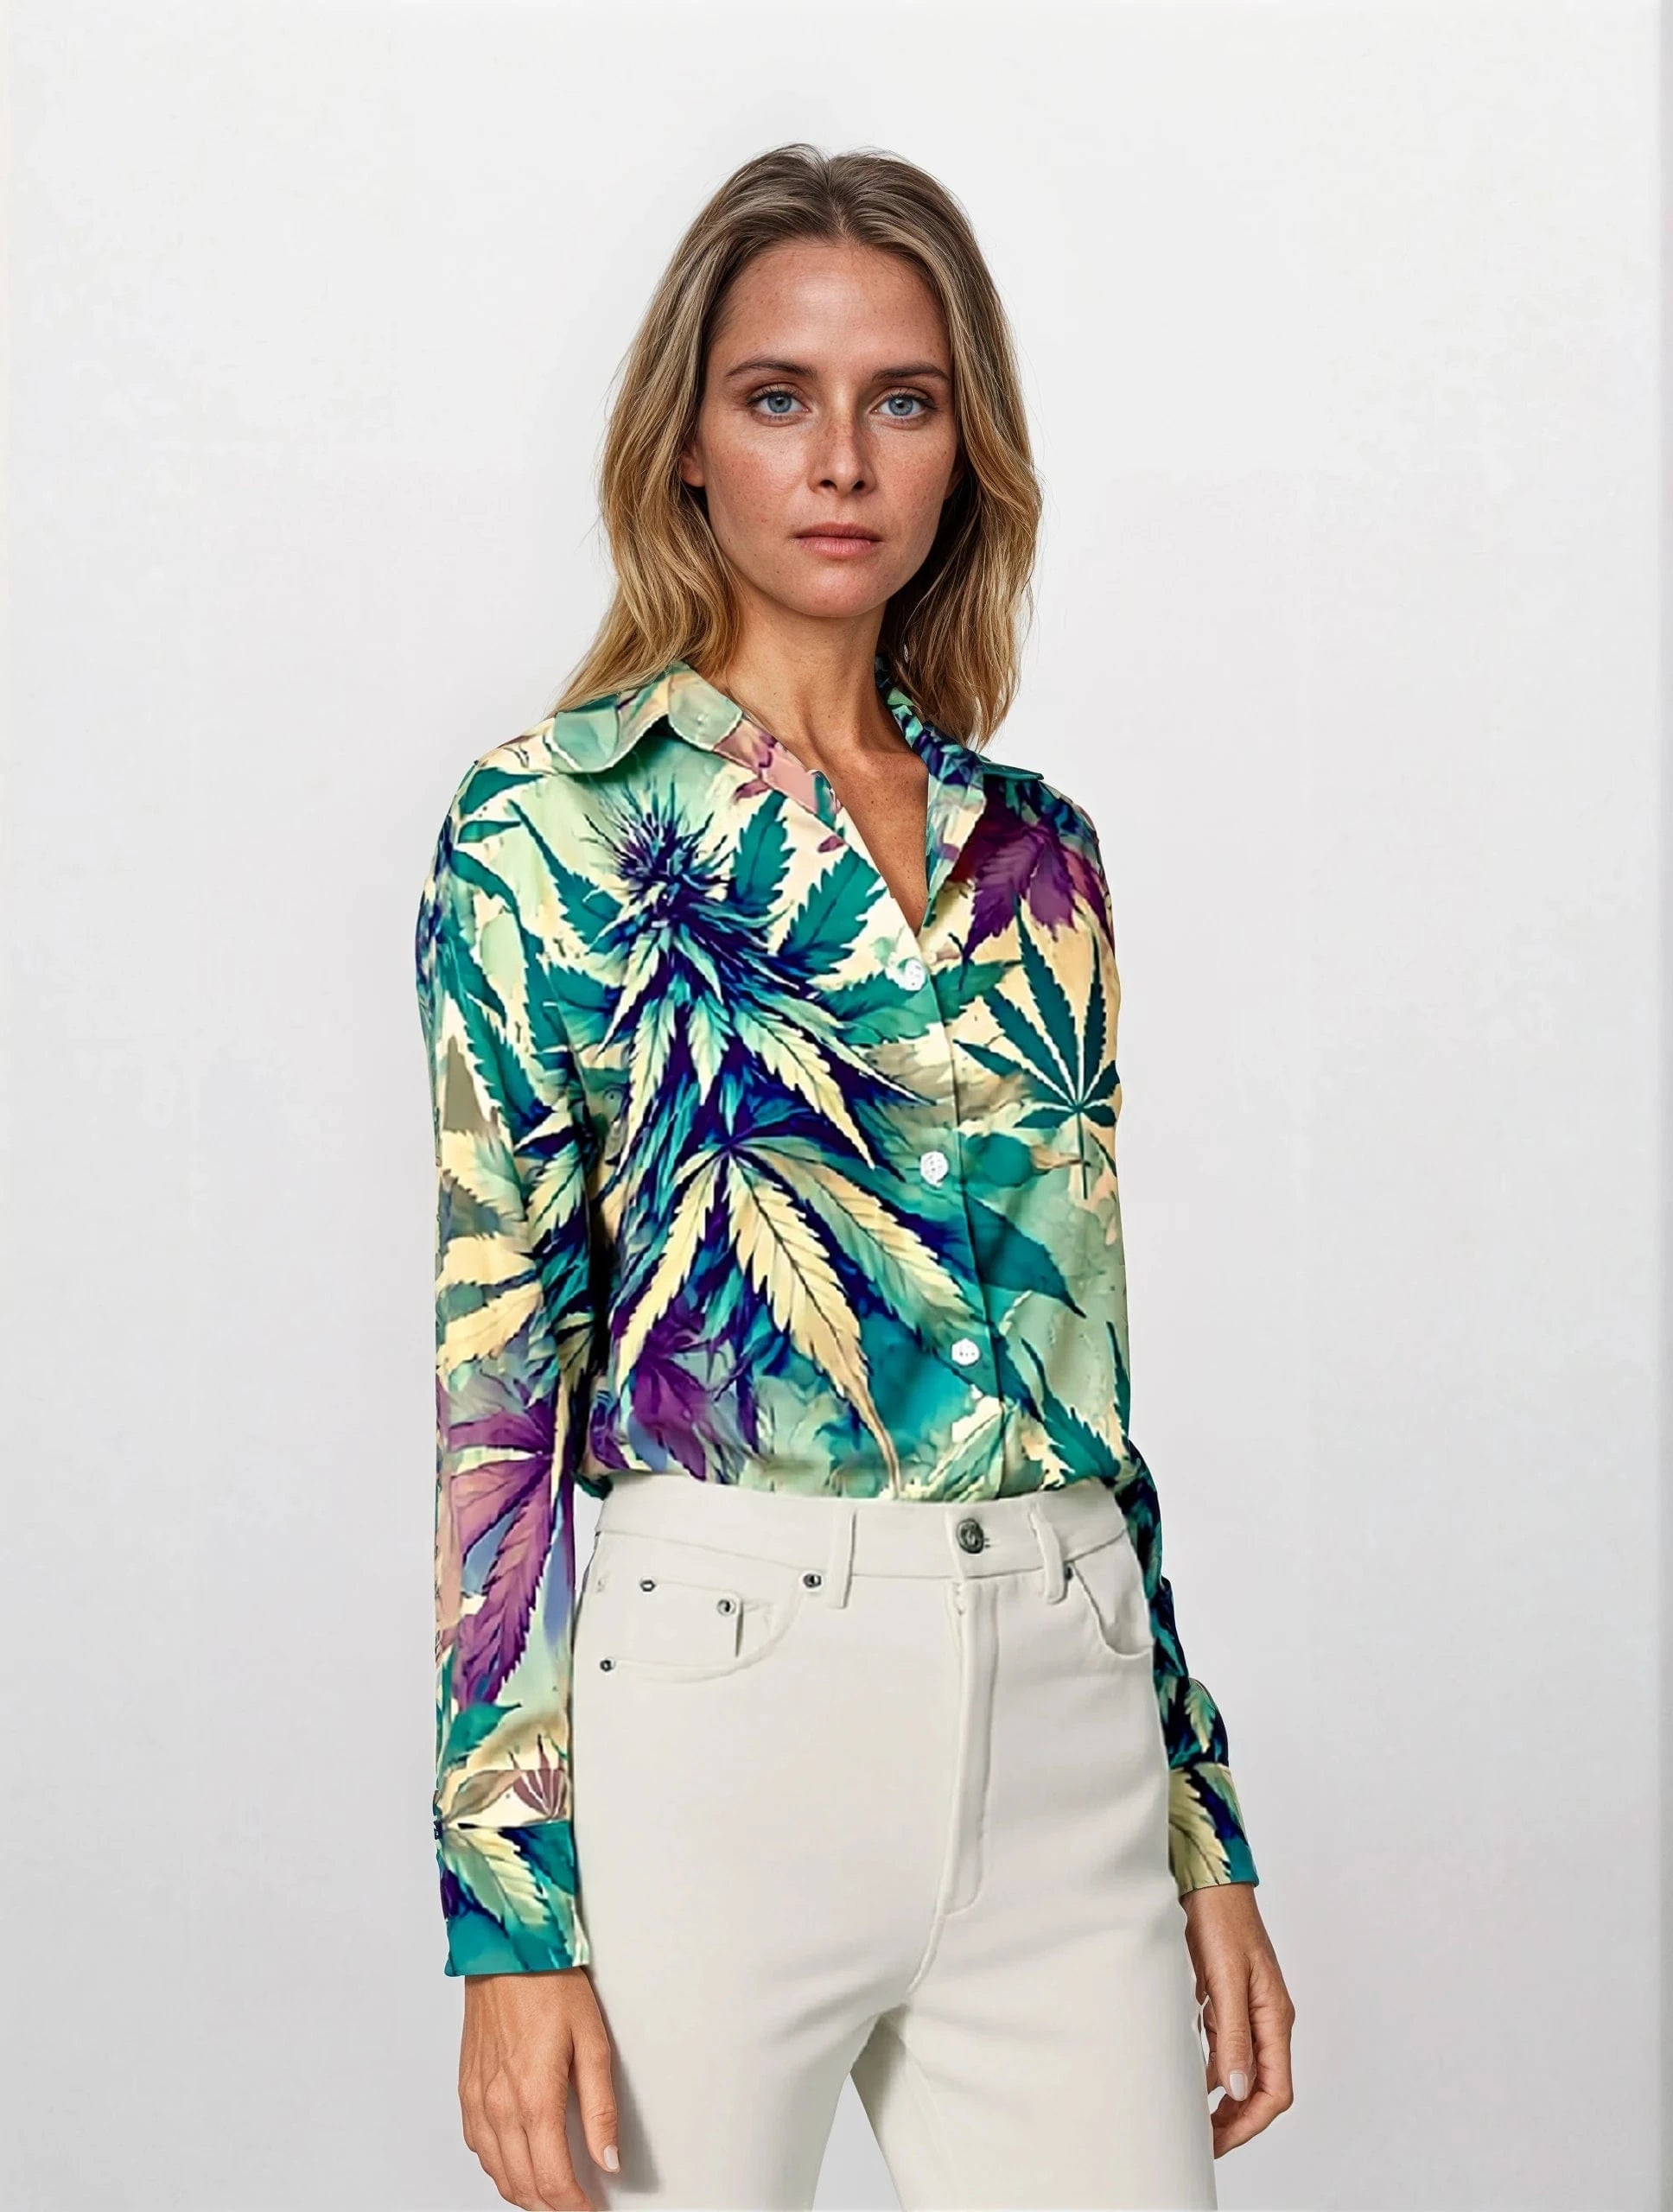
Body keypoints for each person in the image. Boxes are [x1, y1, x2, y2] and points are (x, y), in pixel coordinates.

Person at [414, 142, 1295, 2212]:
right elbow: (494, 1383)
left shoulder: (1038, 854)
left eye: (900, 399)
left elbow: (1080, 1374)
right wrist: (509, 1911)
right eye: (775, 396)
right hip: (722, 1713)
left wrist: (1197, 1826)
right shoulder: (547, 831)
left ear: (962, 447)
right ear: (686, 442)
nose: (838, 460)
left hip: (1064, 1697)